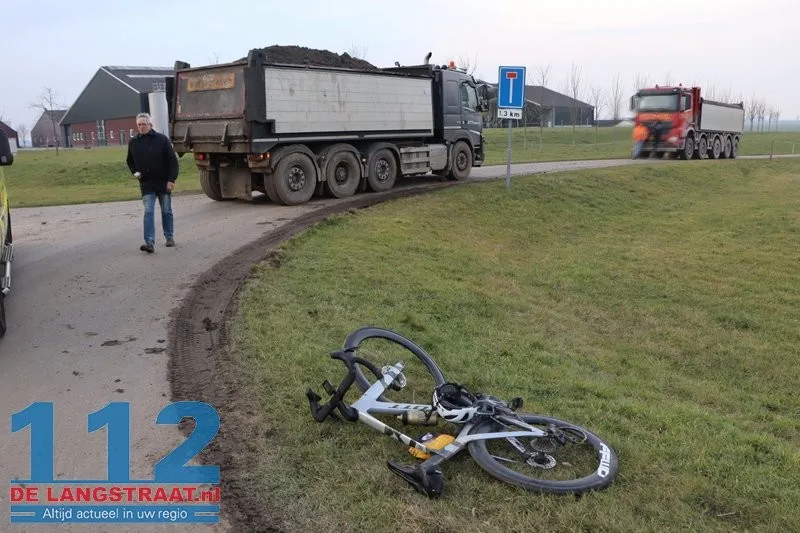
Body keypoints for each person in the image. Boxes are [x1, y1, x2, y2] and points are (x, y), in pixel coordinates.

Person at [126, 112, 179, 253]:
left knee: (166, 210)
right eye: (139, 125)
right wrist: (135, 172)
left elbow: (172, 161)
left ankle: (169, 237)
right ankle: (149, 242)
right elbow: (129, 160)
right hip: (146, 183)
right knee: (148, 211)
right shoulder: (133, 142)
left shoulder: (162, 140)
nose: (141, 127)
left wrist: (171, 179)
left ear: (150, 124)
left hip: (163, 182)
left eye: (144, 124)